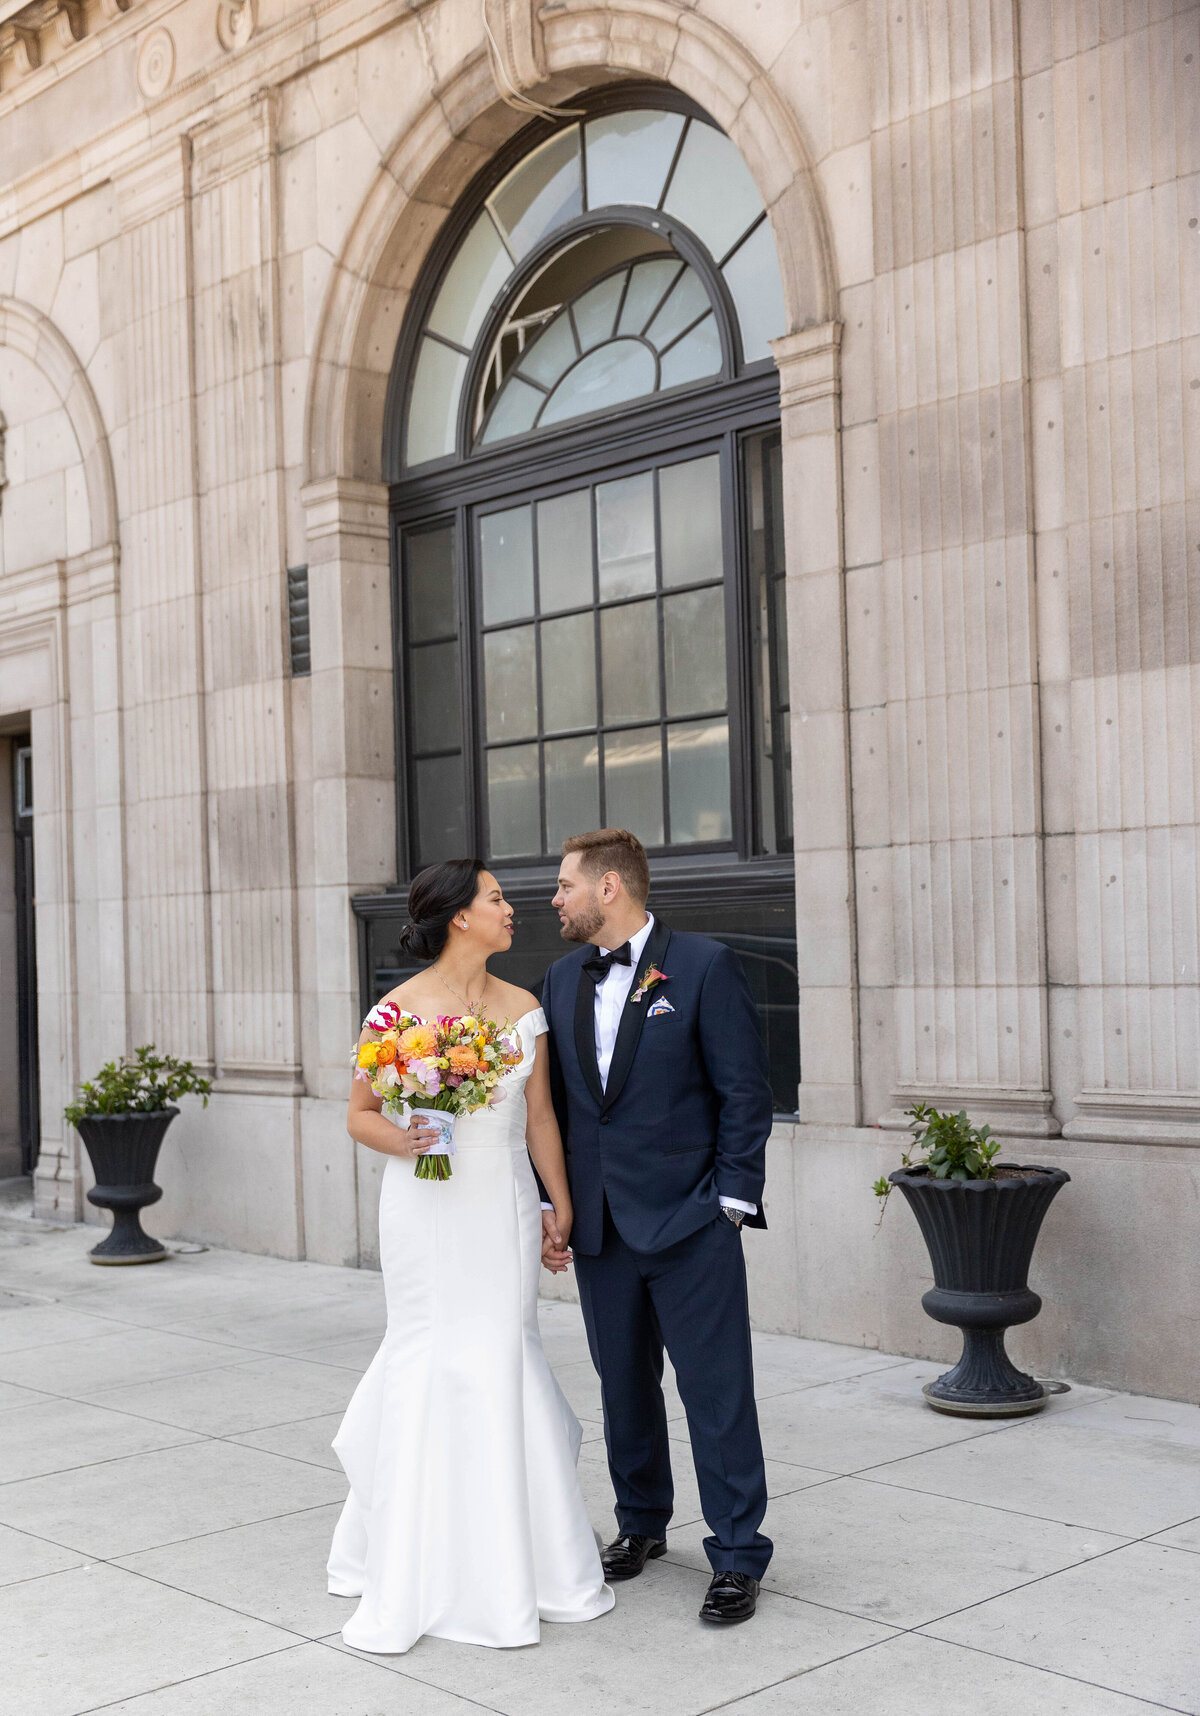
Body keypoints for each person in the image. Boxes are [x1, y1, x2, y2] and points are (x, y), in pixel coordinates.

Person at [326, 858, 614, 1653]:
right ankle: (418, 1559)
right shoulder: (394, 1012)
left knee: (502, 1351)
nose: (512, 908)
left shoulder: (525, 1009)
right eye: (497, 899)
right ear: (460, 916)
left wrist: (558, 1203)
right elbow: (358, 1115)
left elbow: (542, 1119)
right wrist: (409, 1134)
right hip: (423, 1206)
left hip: (502, 1208)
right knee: (429, 1352)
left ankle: (529, 1561)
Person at [540, 828, 774, 1625]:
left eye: (566, 885)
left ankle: (739, 1555)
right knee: (625, 1389)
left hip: (690, 1222)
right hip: (601, 1228)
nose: (555, 899)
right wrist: (556, 1203)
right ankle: (641, 1524)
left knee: (716, 1392)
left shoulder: (704, 966)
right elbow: (563, 1111)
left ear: (610, 888)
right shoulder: (559, 976)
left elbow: (745, 1090)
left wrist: (731, 1202)